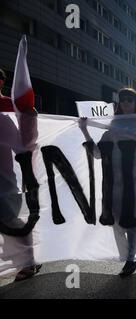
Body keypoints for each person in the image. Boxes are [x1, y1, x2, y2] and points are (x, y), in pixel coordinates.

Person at [79, 88, 136, 277]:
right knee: (117, 223)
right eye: (123, 100)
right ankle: (129, 256)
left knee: (132, 220)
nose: (126, 103)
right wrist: (84, 130)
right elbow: (96, 153)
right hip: (115, 183)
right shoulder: (113, 128)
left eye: (130, 100)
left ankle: (129, 259)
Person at [0, 68, 41, 281]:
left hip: (4, 175)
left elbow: (23, 142)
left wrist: (29, 116)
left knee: (9, 220)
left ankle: (29, 262)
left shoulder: (9, 106)